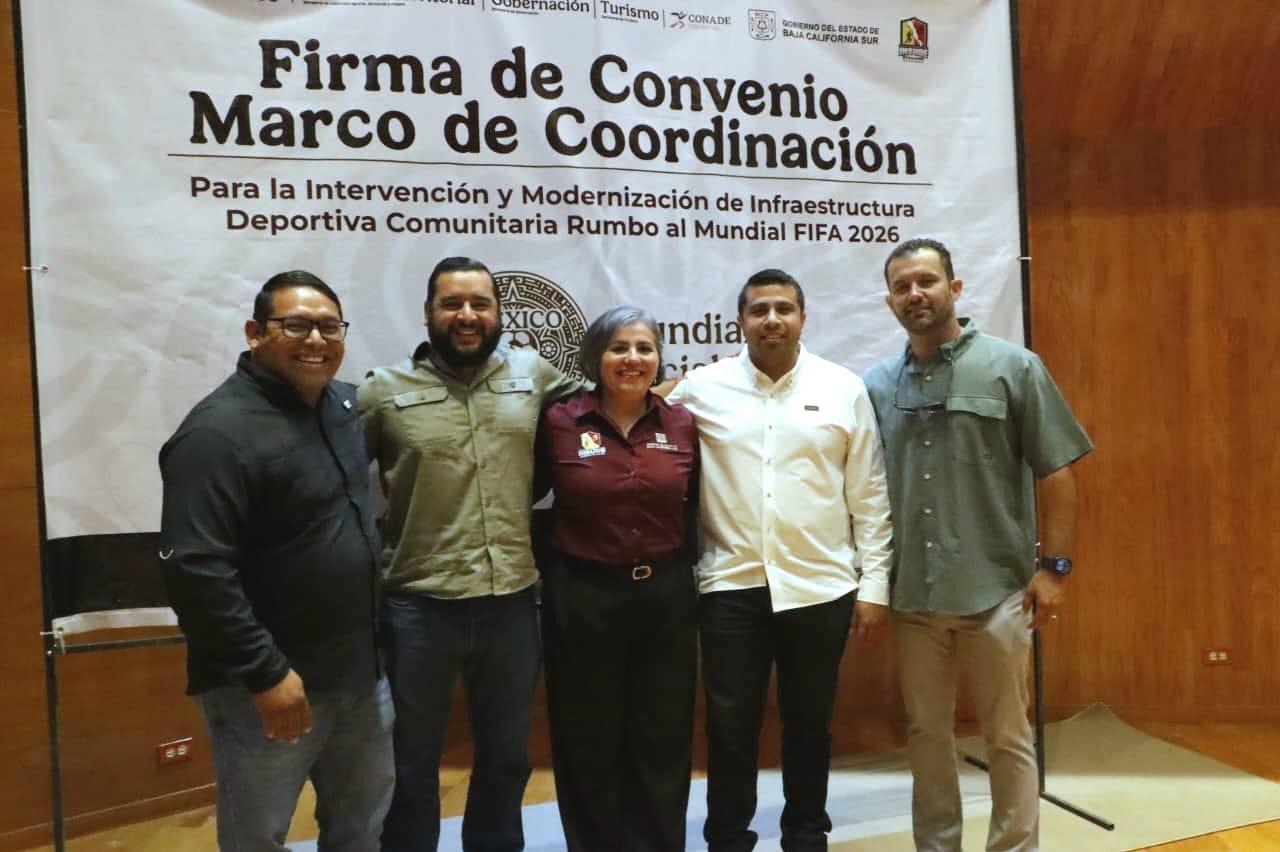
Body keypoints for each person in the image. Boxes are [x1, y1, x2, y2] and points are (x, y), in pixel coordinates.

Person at [863, 238, 1093, 852]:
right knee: (926, 736)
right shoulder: (876, 385)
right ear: (890, 301)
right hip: (914, 598)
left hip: (999, 594)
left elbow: (1058, 471)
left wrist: (1056, 570)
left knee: (1008, 738)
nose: (916, 294)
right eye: (902, 287)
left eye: (927, 281)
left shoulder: (1014, 367)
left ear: (955, 288)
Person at [159, 270, 393, 851]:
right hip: (268, 689)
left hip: (360, 677)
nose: (316, 339)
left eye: (329, 327)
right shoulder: (216, 433)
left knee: (362, 828)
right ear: (255, 333)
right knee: (257, 838)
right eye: (296, 325)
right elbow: (195, 569)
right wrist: (265, 673)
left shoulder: (342, 407)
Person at [668, 268, 894, 852]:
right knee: (729, 725)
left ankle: (805, 833)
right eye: (759, 310)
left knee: (809, 722)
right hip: (730, 586)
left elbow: (869, 495)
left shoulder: (843, 388)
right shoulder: (703, 388)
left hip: (821, 587)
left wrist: (875, 585)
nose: (772, 319)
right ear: (740, 321)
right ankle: (727, 837)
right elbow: (640, 411)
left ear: (802, 318)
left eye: (784, 309)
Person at [357, 256, 578, 852]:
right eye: (452, 303)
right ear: (428, 312)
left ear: (498, 313)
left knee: (506, 759)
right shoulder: (383, 390)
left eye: (480, 303)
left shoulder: (532, 373)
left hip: (511, 603)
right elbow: (333, 475)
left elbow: (612, 400)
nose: (467, 315)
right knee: (411, 763)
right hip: (417, 608)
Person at [533, 305, 699, 851]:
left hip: (665, 597)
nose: (632, 359)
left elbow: (696, 505)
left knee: (663, 735)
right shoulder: (559, 422)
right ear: (595, 357)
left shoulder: (682, 423)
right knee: (587, 737)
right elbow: (526, 496)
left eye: (644, 348)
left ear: (659, 359)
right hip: (583, 596)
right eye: (618, 348)